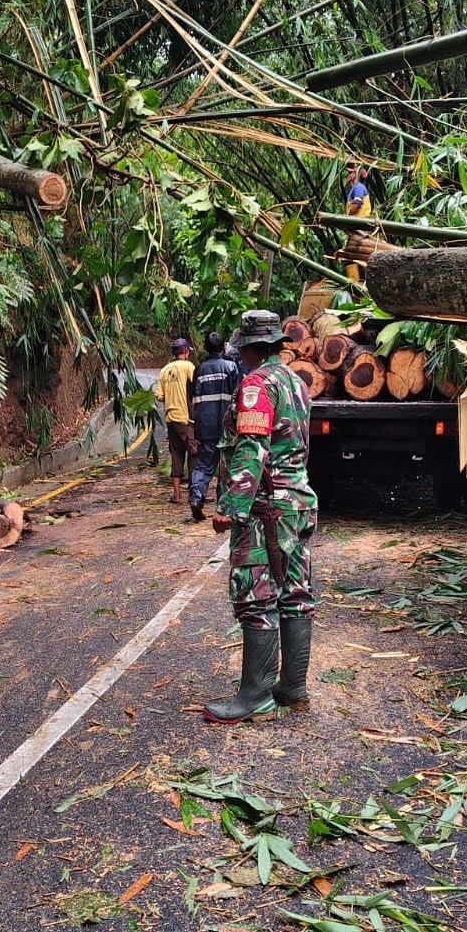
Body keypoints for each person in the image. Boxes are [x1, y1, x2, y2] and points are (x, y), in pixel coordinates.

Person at [206, 310, 318, 724]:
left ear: (251, 347)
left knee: (255, 595)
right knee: (295, 591)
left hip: (266, 508)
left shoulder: (257, 384)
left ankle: (255, 696)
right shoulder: (297, 382)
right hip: (298, 501)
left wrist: (231, 506)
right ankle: (293, 687)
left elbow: (252, 448)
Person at [188, 331, 240, 521]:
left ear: (205, 348)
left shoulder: (199, 370)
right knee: (226, 466)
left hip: (205, 426)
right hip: (227, 426)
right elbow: (237, 396)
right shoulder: (231, 367)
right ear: (223, 348)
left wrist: (194, 426)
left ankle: (196, 498)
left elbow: (195, 398)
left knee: (203, 465)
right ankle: (222, 505)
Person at [155, 337, 197, 504]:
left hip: (170, 419)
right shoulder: (188, 366)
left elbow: (159, 396)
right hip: (185, 418)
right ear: (185, 351)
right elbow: (197, 386)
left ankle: (177, 495)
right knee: (194, 454)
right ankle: (194, 494)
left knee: (177, 455)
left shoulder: (164, 370)